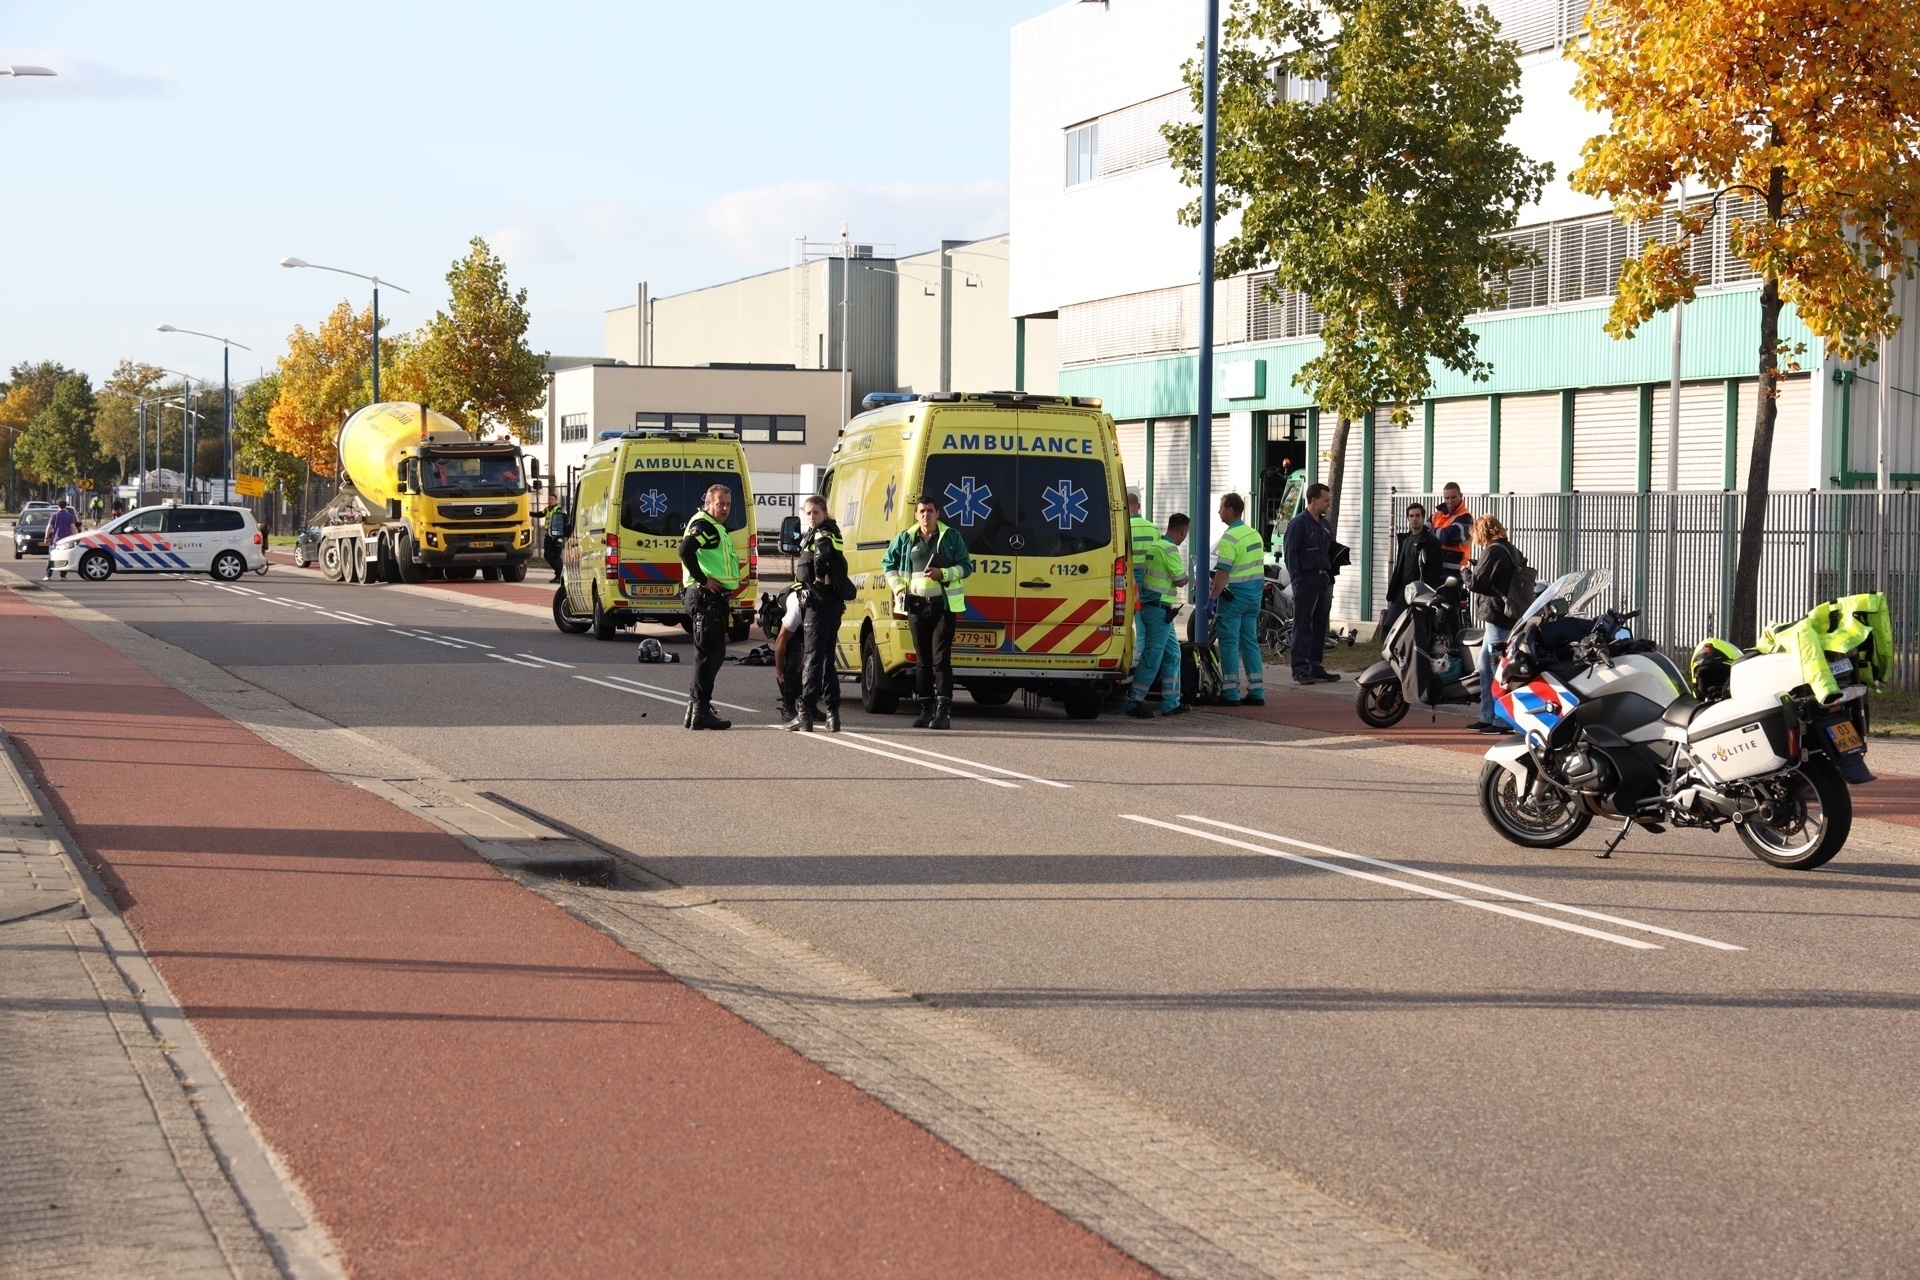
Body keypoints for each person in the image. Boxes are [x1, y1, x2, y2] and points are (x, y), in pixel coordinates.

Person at [882, 495, 972, 730]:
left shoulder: (951, 537)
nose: (926, 514)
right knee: (922, 661)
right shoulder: (905, 538)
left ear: (937, 513)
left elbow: (966, 566)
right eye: (921, 511)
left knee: (941, 660)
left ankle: (943, 712)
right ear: (916, 515)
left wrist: (944, 574)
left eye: (930, 510)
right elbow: (888, 564)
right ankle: (925, 709)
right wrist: (899, 589)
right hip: (916, 606)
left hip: (943, 607)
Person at [678, 484, 740, 730]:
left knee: (714, 654)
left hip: (710, 598)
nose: (724, 508)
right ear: (707, 504)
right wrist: (703, 580)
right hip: (704, 597)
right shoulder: (705, 526)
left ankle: (696, 709)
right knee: (707, 656)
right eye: (719, 503)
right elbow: (685, 550)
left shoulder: (714, 527)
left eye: (727, 503)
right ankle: (700, 709)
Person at [785, 494, 849, 733]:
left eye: (816, 513)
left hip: (819, 603)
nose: (811, 517)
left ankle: (805, 711)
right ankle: (833, 715)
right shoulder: (827, 531)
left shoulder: (823, 533)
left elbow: (821, 554)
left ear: (825, 513)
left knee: (812, 658)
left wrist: (819, 576)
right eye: (808, 513)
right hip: (830, 602)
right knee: (826, 659)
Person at [1128, 512, 1192, 718]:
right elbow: (1180, 579)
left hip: (1156, 610)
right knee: (1152, 657)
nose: (1185, 538)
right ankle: (1134, 701)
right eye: (1186, 534)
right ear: (1182, 531)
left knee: (1173, 654)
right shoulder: (1170, 549)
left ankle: (1171, 702)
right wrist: (1190, 578)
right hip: (1158, 611)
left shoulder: (1155, 546)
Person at [1208, 492, 1267, 706]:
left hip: (1234, 599)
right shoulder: (1255, 534)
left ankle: (1231, 692)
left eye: (1221, 508)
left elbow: (1223, 572)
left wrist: (1212, 599)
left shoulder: (1230, 538)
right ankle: (1257, 691)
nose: (1218, 512)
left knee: (1229, 643)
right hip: (1253, 597)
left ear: (1230, 510)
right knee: (1249, 642)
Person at [1465, 512, 1520, 734]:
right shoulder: (1510, 548)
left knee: (1498, 670)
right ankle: (1488, 716)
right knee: (1485, 668)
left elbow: (1477, 584)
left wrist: (1465, 572)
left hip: (1496, 615)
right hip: (1505, 614)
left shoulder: (1493, 550)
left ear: (1483, 532)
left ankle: (1503, 720)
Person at [1283, 482, 1338, 686]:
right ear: (1314, 500)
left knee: (1320, 625)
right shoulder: (1298, 523)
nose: (1328, 504)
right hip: (1306, 580)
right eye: (1325, 500)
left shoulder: (1324, 524)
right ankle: (1300, 668)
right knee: (1303, 624)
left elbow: (1330, 549)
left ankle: (1315, 666)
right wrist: (1298, 581)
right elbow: (1291, 554)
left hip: (1324, 579)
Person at [1379, 501, 1448, 636]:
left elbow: (1435, 569)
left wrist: (1424, 587)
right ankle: (1390, 655)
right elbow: (1400, 566)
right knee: (1389, 627)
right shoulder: (1404, 539)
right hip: (1402, 591)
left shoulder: (1431, 541)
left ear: (1423, 518)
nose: (1414, 519)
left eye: (1417, 515)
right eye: (1411, 516)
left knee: (1417, 629)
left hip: (1419, 593)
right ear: (1408, 518)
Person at [1430, 482, 1474, 573]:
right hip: (1435, 570)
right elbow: (1421, 532)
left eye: (1453, 497)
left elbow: (1448, 537)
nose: (1450, 501)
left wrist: (1431, 532)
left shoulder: (1466, 518)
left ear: (1461, 496)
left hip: (1455, 572)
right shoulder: (1437, 514)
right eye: (1447, 498)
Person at [44, 499, 78, 580]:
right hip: (66, 541)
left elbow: (49, 527)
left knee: (51, 557)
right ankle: (63, 575)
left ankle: (48, 575)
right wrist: (76, 537)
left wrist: (46, 537)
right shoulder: (70, 516)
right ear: (65, 506)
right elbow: (73, 528)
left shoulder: (54, 515)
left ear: (58, 506)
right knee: (65, 556)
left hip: (56, 540)